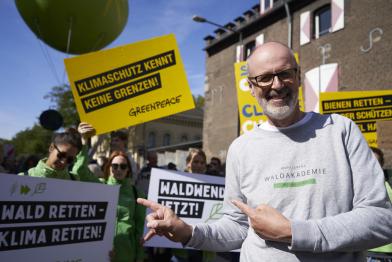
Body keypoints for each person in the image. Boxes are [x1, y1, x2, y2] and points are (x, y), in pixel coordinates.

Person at [137, 42, 392, 262]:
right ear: (251, 86)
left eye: (285, 73)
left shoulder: (341, 130)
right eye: (265, 78)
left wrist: (293, 232)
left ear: (298, 76)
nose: (277, 85)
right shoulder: (241, 148)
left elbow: (381, 220)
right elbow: (237, 227)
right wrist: (189, 233)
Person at [20, 122, 99, 182]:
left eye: (69, 159)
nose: (63, 161)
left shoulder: (74, 180)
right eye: (61, 155)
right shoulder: (21, 179)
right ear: (51, 148)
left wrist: (84, 139)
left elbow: (81, 168)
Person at [103, 151, 146, 262]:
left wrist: (140, 256)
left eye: (123, 166)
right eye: (115, 166)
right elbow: (79, 171)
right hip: (101, 253)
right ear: (109, 167)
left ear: (128, 170)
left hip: (127, 254)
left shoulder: (137, 194)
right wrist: (84, 143)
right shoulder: (99, 187)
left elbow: (140, 227)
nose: (119, 169)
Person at [367, 147, 392, 262]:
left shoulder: (389, 187)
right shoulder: (355, 189)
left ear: (381, 165)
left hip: (387, 252)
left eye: (375, 162)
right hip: (365, 251)